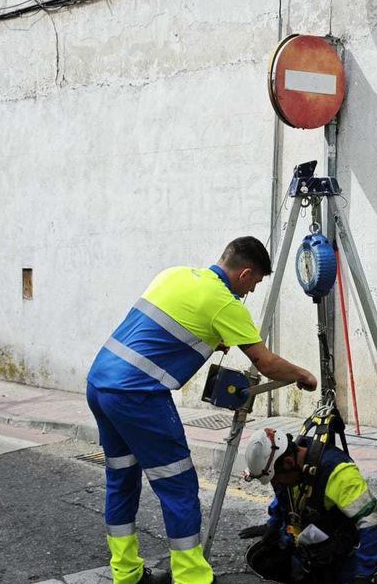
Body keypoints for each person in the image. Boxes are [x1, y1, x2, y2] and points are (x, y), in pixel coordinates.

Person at [86, 236, 319, 584]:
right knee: (178, 487)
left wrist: (210, 337)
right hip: (139, 395)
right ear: (244, 273)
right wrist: (303, 375)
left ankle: (126, 573)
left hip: (100, 382)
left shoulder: (175, 274)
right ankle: (192, 578)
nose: (250, 292)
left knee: (121, 480)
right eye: (254, 284)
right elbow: (266, 364)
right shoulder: (226, 305)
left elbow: (163, 329)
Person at [242, 428, 377, 584]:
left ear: (288, 462)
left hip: (340, 556)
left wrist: (362, 575)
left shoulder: (338, 473)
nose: (275, 484)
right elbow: (285, 498)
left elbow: (372, 524)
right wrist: (273, 524)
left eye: (276, 479)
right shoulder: (290, 471)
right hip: (307, 549)